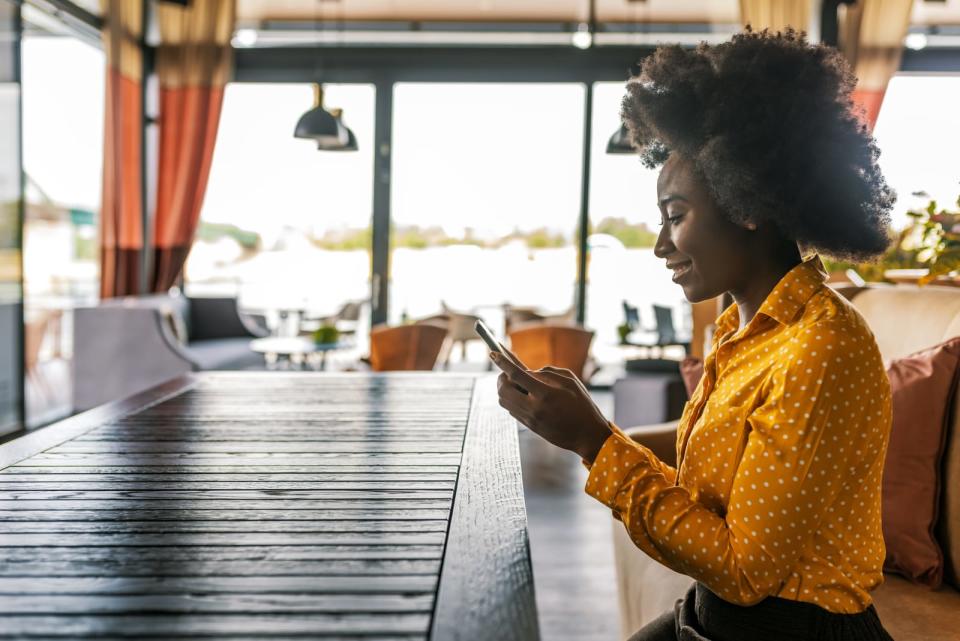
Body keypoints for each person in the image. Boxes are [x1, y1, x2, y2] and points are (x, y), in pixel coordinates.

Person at [492, 28, 896, 641]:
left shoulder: (822, 347)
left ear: (748, 203)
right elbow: (711, 512)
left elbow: (744, 569)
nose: (661, 246)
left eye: (675, 217)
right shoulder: (741, 331)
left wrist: (597, 442)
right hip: (718, 619)